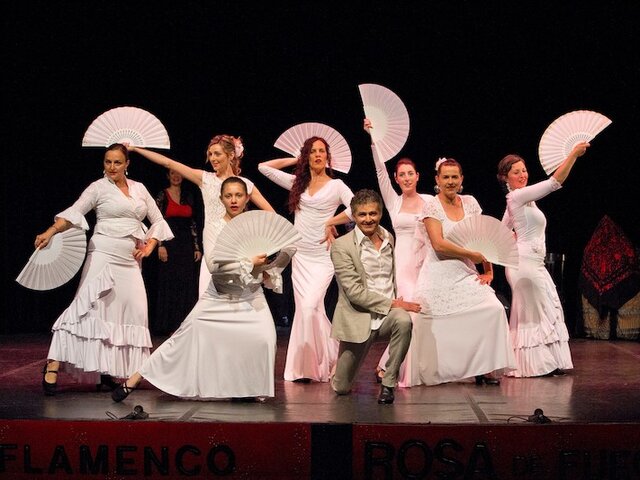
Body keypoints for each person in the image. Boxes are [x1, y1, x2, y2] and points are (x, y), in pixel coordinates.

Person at [111, 177, 292, 402]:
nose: (234, 200)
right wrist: (249, 262)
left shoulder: (258, 225)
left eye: (238, 195)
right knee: (184, 335)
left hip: (250, 295)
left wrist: (268, 267)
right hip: (219, 296)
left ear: (247, 198)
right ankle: (137, 377)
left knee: (265, 338)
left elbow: (280, 253)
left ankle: (246, 388)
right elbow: (214, 265)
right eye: (229, 196)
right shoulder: (214, 227)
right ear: (221, 199)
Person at [37, 143, 174, 395]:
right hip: (103, 253)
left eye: (117, 162)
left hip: (131, 260)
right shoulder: (97, 188)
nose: (112, 167)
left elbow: (158, 221)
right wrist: (51, 231)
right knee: (86, 307)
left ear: (127, 164)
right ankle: (53, 361)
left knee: (132, 311)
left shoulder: (140, 189)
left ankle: (110, 370)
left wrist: (151, 246)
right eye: (108, 161)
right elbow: (74, 213)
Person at [409, 158, 516, 387]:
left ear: (461, 179)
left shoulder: (470, 203)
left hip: (465, 271)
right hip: (439, 272)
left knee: (494, 308)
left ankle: (484, 367)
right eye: (445, 177)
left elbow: (484, 237)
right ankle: (440, 368)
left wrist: (488, 271)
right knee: (428, 320)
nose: (450, 181)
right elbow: (438, 244)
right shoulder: (431, 206)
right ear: (437, 180)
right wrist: (472, 254)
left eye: (454, 177)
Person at [258, 137, 354, 383]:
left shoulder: (337, 185)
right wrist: (295, 159)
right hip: (300, 256)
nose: (318, 155)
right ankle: (310, 366)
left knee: (311, 306)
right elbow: (263, 167)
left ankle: (324, 359)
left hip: (323, 257)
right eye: (312, 152)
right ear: (307, 157)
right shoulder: (297, 184)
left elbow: (355, 207)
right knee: (306, 311)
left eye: (322, 151)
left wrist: (331, 222)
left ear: (328, 157)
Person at [128, 135, 274, 296]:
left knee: (238, 301)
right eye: (210, 154)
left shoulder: (245, 184)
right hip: (213, 248)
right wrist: (135, 149)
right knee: (208, 298)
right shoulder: (206, 179)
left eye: (217, 154)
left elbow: (271, 214)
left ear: (231, 155)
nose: (212, 158)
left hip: (238, 246)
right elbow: (169, 163)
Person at [496, 142, 589, 377]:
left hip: (533, 263)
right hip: (524, 264)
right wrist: (573, 156)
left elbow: (500, 231)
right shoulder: (517, 196)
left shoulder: (521, 201)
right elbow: (554, 183)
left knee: (546, 309)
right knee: (533, 314)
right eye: (516, 172)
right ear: (505, 177)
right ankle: (533, 365)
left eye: (524, 170)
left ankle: (547, 361)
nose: (522, 175)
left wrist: (512, 236)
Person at [330, 189, 419, 404]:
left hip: (388, 317)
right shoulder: (342, 246)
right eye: (362, 214)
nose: (368, 219)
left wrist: (395, 307)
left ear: (380, 214)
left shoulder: (388, 237)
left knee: (404, 320)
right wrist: (395, 303)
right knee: (341, 388)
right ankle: (340, 371)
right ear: (354, 216)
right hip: (359, 319)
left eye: (373, 213)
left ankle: (388, 384)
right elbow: (354, 293)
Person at [363, 118, 432, 385]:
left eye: (410, 173)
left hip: (427, 260)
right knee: (409, 314)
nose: (406, 178)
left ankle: (417, 366)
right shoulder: (394, 201)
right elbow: (379, 171)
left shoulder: (429, 201)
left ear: (418, 176)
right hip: (403, 262)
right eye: (401, 174)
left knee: (426, 314)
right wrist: (373, 139)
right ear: (396, 178)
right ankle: (389, 366)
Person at [153, 169, 202, 335]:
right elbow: (157, 221)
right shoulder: (162, 195)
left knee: (186, 283)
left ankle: (184, 325)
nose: (176, 176)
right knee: (169, 283)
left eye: (178, 174)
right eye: (172, 174)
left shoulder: (189, 195)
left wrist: (196, 247)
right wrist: (160, 245)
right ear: (168, 176)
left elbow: (193, 223)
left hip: (186, 244)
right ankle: (167, 325)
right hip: (169, 243)